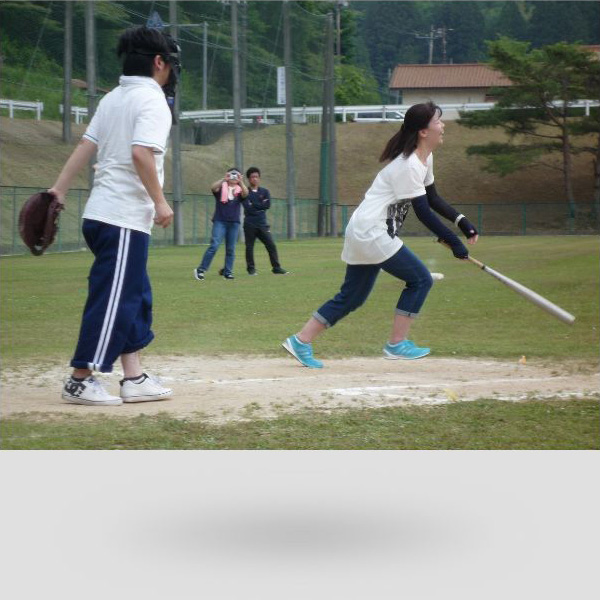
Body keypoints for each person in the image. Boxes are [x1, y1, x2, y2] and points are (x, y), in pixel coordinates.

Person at [282, 101, 479, 368]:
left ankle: (300, 341)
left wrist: (462, 222)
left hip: (363, 230)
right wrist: (454, 241)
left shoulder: (424, 159)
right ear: (423, 131)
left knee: (353, 296)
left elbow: (433, 198)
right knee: (420, 280)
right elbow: (423, 212)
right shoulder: (408, 165)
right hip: (371, 230)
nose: (443, 126)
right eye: (438, 121)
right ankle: (396, 345)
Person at [49, 26, 180, 405]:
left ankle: (134, 377)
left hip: (104, 215)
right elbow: (142, 154)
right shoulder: (153, 101)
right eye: (169, 64)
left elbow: (86, 146)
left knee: (134, 296)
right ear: (158, 63)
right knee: (113, 300)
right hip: (122, 216)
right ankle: (80, 378)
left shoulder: (113, 99)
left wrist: (59, 189)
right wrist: (160, 202)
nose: (170, 71)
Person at [194, 168, 248, 280]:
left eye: (236, 175)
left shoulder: (239, 190)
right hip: (220, 220)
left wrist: (241, 181)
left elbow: (246, 194)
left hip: (234, 222)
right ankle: (201, 270)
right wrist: (224, 179)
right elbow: (213, 187)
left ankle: (228, 272)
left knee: (231, 248)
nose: (233, 177)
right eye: (232, 174)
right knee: (214, 245)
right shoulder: (222, 188)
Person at [242, 167, 287, 275]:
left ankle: (276, 267)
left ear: (259, 178)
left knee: (271, 244)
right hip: (249, 223)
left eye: (257, 177)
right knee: (249, 247)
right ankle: (251, 269)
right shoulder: (245, 192)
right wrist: (259, 206)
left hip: (262, 223)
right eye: (252, 177)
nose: (255, 179)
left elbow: (267, 205)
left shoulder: (265, 191)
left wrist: (254, 204)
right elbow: (248, 208)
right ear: (248, 179)